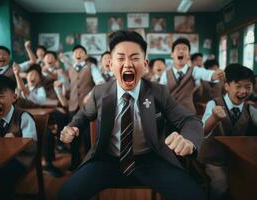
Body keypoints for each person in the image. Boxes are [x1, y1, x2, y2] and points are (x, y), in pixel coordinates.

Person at [58, 30, 205, 200]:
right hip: (107, 161)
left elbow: (190, 120)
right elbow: (84, 115)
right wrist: (72, 127)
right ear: (111, 64)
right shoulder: (100, 92)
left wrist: (188, 139)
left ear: (145, 64)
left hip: (151, 160)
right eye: (120, 58)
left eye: (135, 58)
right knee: (66, 194)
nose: (127, 64)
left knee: (194, 195)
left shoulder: (159, 92)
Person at [198, 64, 257, 200]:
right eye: (238, 86)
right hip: (213, 158)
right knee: (221, 186)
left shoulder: (250, 108)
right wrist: (214, 118)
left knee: (249, 182)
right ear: (226, 86)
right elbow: (202, 131)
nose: (243, 91)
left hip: (235, 159)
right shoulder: (213, 104)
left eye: (248, 87)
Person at [0, 74, 37, 199]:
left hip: (20, 160)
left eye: (1, 97)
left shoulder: (23, 117)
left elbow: (32, 145)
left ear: (14, 97)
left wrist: (18, 141)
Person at [59, 44, 104, 171]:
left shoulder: (91, 67)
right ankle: (75, 162)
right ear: (73, 56)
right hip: (73, 106)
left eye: (81, 52)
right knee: (72, 136)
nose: (78, 54)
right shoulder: (70, 69)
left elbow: (100, 83)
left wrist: (90, 95)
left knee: (87, 137)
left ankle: (89, 164)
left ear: (86, 55)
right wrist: (60, 86)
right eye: (75, 52)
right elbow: (67, 88)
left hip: (88, 107)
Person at [159, 38, 225, 114]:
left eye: (184, 49)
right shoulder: (165, 74)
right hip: (169, 114)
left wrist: (215, 75)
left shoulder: (194, 71)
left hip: (188, 114)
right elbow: (160, 93)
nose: (181, 51)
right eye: (178, 49)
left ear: (189, 55)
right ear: (172, 54)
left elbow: (206, 74)